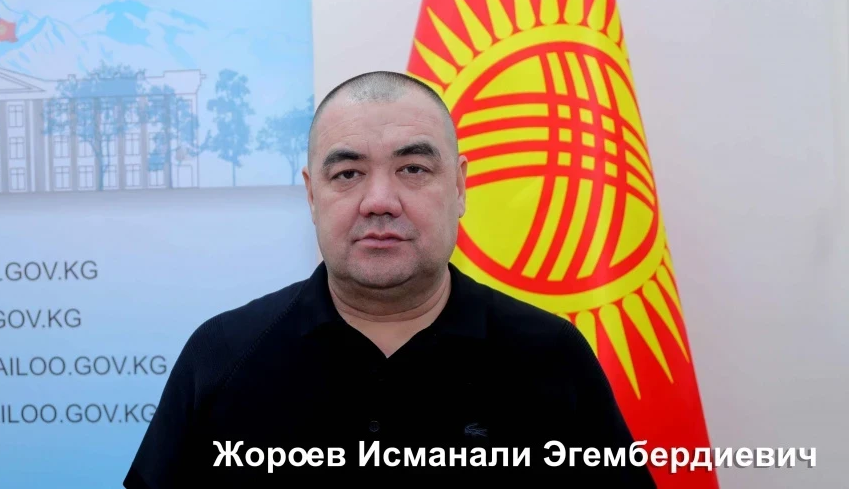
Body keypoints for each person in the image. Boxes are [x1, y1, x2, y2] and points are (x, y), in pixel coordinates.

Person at [123, 71, 656, 485]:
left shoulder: (551, 355)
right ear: (311, 194)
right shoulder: (222, 354)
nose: (379, 201)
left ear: (460, 187)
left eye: (413, 169)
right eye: (348, 174)